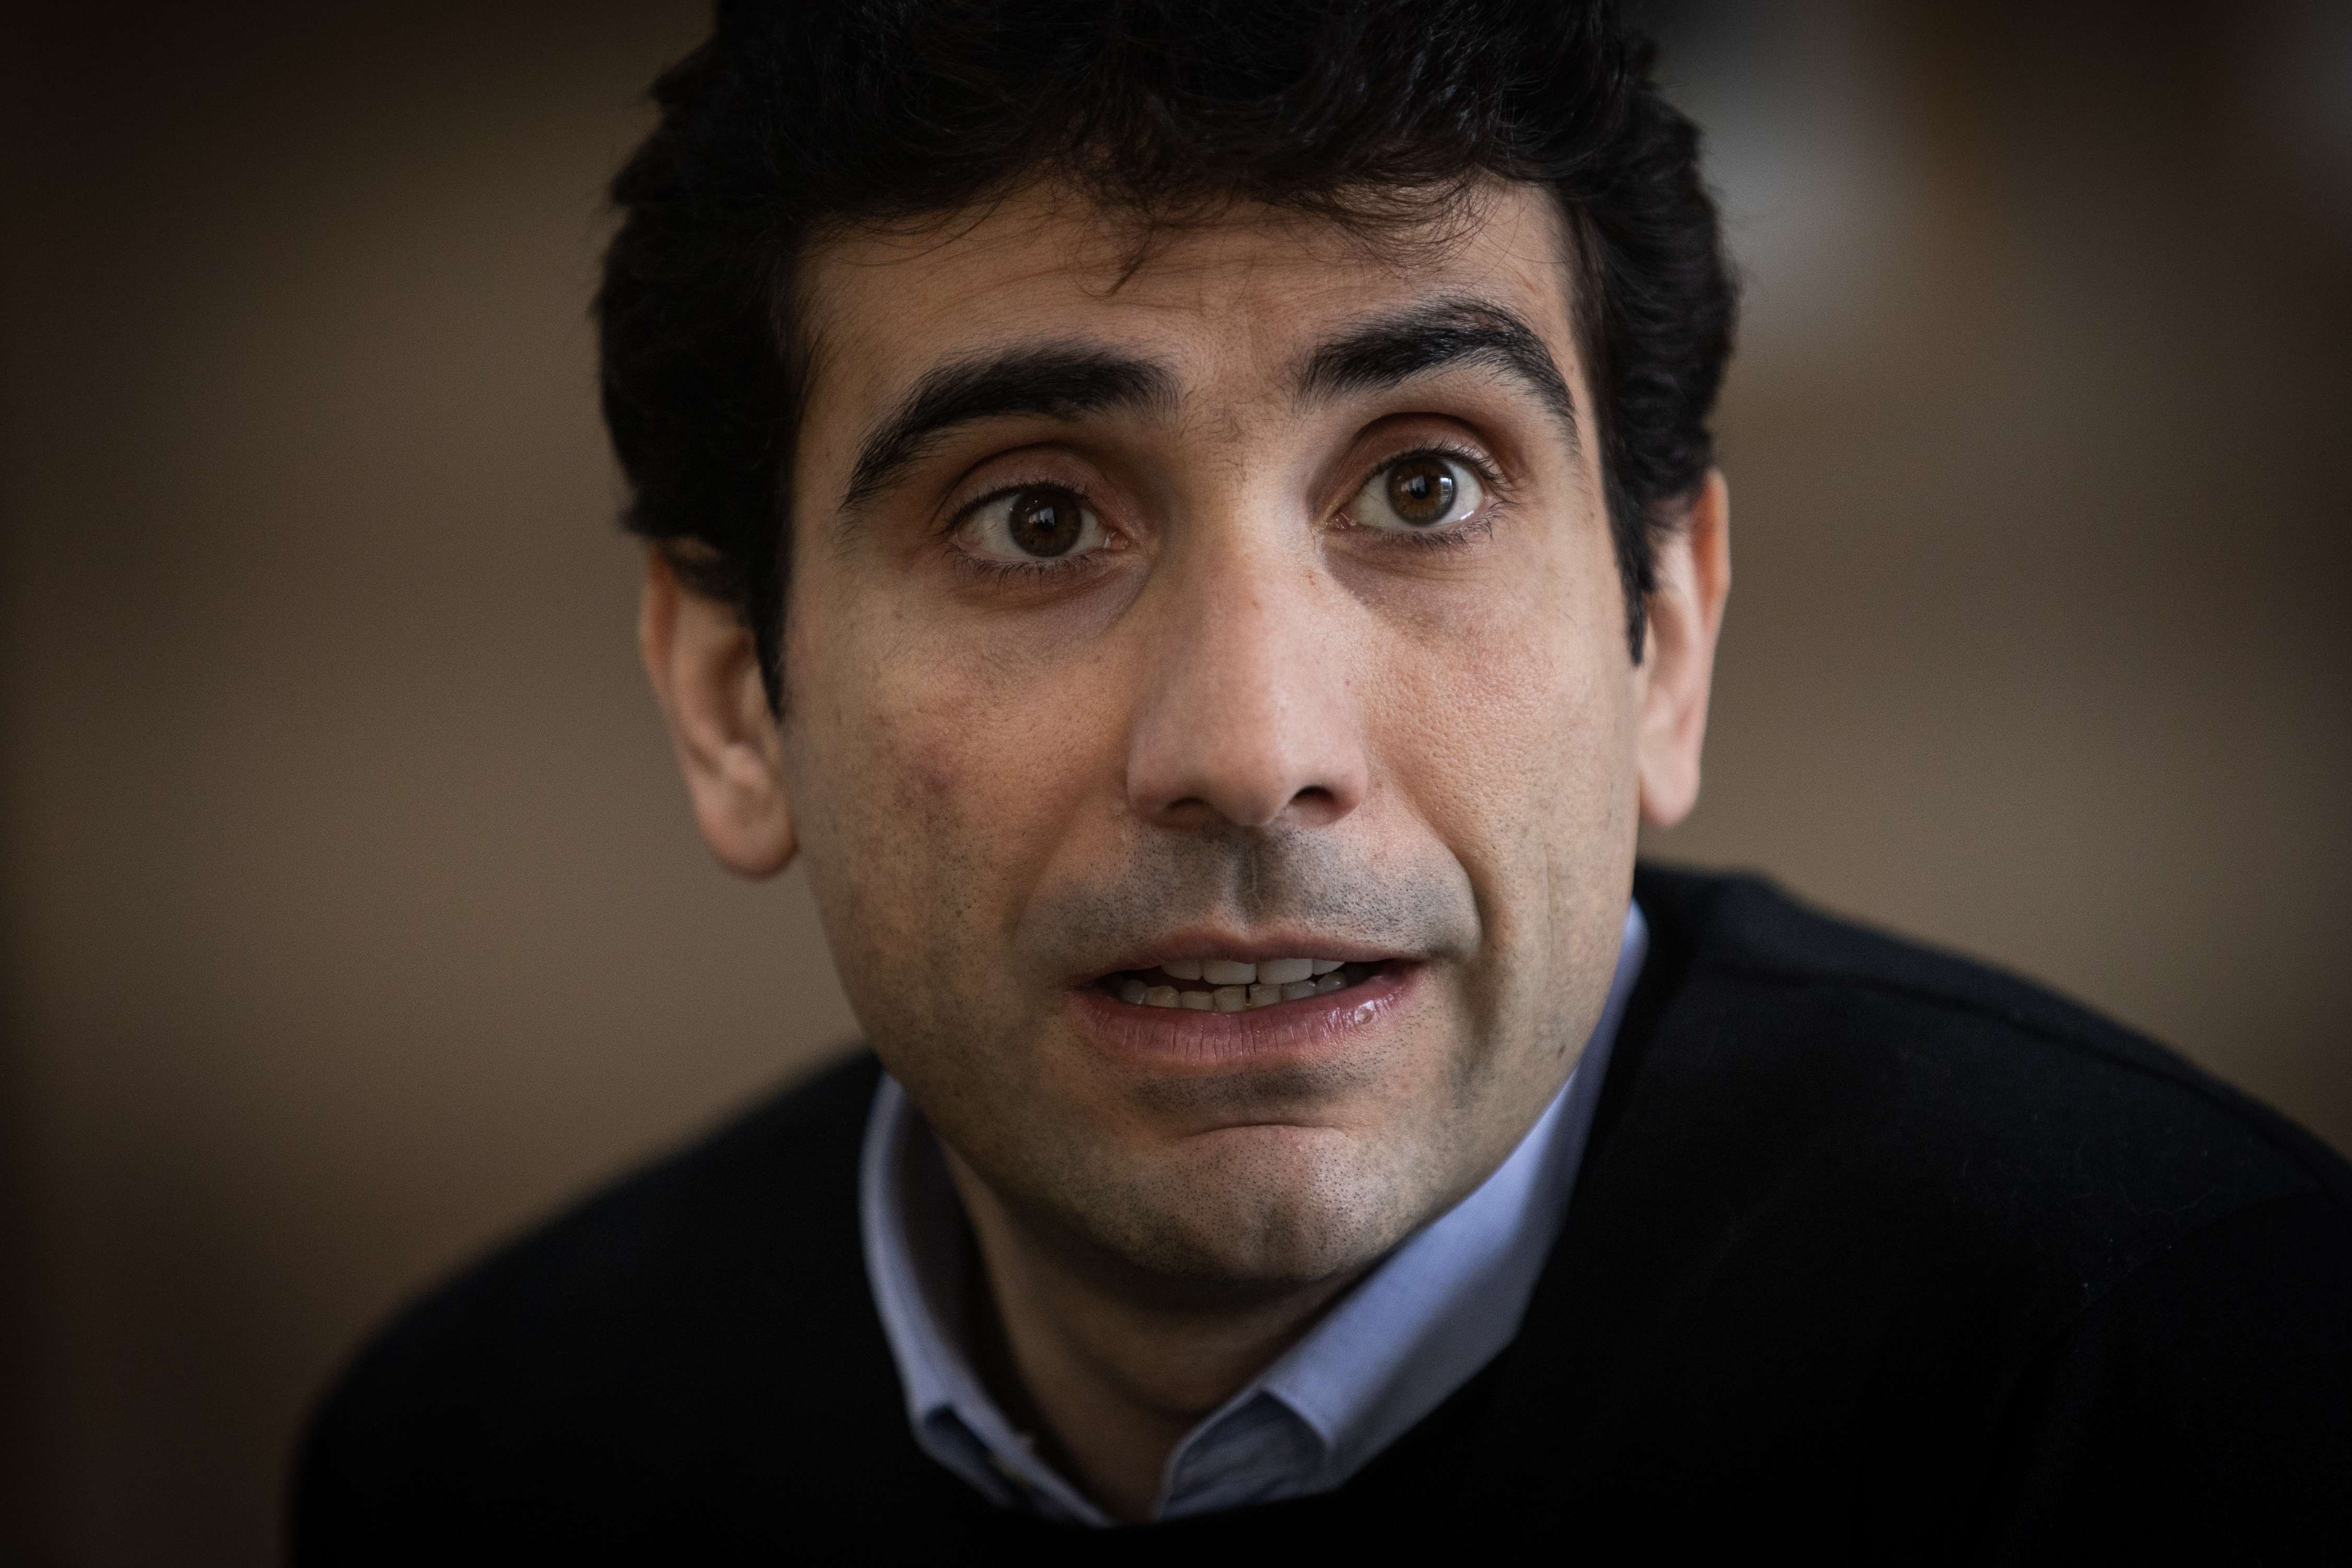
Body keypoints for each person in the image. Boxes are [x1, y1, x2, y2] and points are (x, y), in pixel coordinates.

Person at [291, 1, 2352, 1557]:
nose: (1255, 754)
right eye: (1032, 520)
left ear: (1663, 629)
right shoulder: (482, 1461)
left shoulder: (2176, 1374)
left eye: (1425, 485)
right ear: (735, 698)